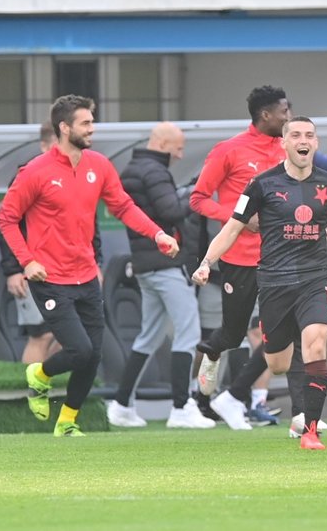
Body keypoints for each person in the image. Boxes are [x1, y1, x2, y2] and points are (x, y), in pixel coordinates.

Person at [0, 95, 180, 437]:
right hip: (48, 277)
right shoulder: (35, 171)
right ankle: (39, 375)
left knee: (92, 356)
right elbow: (7, 218)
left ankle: (67, 422)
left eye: (92, 122)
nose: (92, 129)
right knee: (79, 349)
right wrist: (27, 261)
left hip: (85, 274)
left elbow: (124, 207)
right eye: (85, 123)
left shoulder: (99, 165)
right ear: (65, 128)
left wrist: (157, 234)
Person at [193, 116, 327, 450]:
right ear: (284, 143)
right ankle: (262, 396)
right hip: (275, 283)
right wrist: (207, 263)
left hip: (315, 279)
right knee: (277, 363)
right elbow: (233, 228)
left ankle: (309, 429)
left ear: (316, 144)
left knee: (316, 344)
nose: (303, 140)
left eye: (309, 135)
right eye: (296, 135)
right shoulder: (261, 184)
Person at [107, 122, 216, 429]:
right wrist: (197, 189)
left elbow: (162, 207)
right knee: (189, 331)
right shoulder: (153, 172)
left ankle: (121, 404)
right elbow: (171, 212)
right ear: (165, 145)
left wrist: (185, 190)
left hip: (146, 265)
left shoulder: (134, 167)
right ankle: (181, 407)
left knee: (149, 335)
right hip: (165, 263)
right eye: (178, 148)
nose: (180, 155)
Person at [0, 123, 63, 364]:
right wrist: (13, 269)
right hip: (31, 270)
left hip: (63, 270)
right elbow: (6, 222)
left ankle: (47, 383)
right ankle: (31, 396)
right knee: (41, 334)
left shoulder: (70, 175)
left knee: (73, 336)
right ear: (43, 145)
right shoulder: (26, 176)